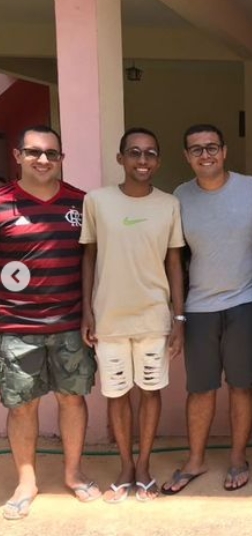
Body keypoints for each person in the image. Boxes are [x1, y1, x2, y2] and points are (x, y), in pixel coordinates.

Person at [0, 126, 100, 520]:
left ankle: (73, 473)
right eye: (34, 152)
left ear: (61, 158)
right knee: (22, 406)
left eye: (51, 153)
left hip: (71, 325)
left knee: (72, 400)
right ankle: (26, 482)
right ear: (18, 156)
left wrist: (89, 312)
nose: (43, 160)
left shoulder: (80, 203)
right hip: (16, 328)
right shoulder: (2, 203)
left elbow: (91, 262)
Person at [81, 128, 185, 503]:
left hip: (153, 317)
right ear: (120, 158)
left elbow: (174, 263)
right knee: (117, 394)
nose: (142, 160)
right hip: (108, 318)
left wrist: (179, 318)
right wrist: (86, 310)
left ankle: (143, 466)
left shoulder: (169, 204)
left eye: (150, 153)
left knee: (150, 391)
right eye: (134, 152)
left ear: (158, 160)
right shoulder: (97, 201)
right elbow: (89, 256)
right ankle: (125, 466)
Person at [160, 124, 252, 495]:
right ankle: (196, 459)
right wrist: (178, 315)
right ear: (186, 156)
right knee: (200, 388)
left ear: (224, 151)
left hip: (246, 300)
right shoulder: (180, 196)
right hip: (200, 305)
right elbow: (174, 258)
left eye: (211, 147)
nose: (205, 154)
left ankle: (238, 457)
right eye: (197, 149)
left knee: (241, 385)